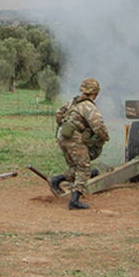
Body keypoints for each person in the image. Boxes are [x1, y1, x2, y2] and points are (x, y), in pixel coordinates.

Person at [49, 78, 109, 210]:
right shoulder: (89, 107)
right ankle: (74, 201)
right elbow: (99, 127)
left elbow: (58, 113)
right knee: (84, 169)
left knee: (77, 167)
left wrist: (65, 126)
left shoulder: (74, 102)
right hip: (74, 139)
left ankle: (56, 180)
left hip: (63, 136)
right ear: (95, 93)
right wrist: (106, 137)